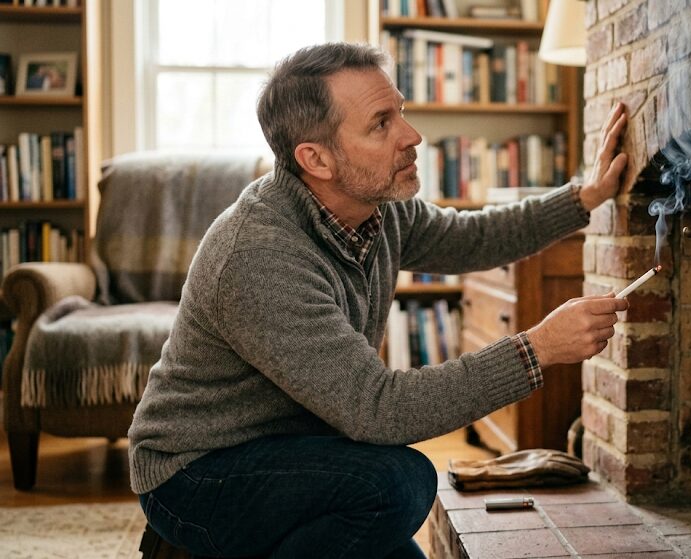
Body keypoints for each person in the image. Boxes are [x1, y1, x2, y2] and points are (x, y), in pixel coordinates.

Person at [128, 42, 629, 559]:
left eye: (402, 112)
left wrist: (584, 197)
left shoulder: (377, 209)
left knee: (392, 531)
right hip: (199, 471)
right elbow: (379, 411)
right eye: (381, 124)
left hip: (301, 449)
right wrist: (538, 348)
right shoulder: (258, 255)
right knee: (399, 483)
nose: (412, 137)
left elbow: (475, 237)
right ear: (315, 158)